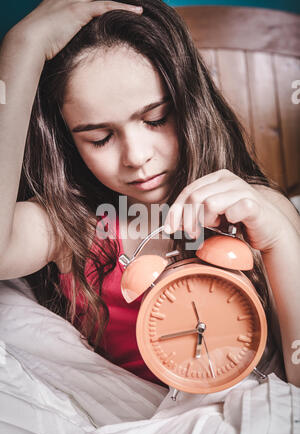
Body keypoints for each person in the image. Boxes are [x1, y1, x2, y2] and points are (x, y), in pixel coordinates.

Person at [0, 0, 299, 393]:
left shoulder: (257, 212)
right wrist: (22, 46)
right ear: (68, 142)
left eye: (157, 119)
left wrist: (277, 238)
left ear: (191, 105)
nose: (137, 157)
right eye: (100, 138)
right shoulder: (70, 225)